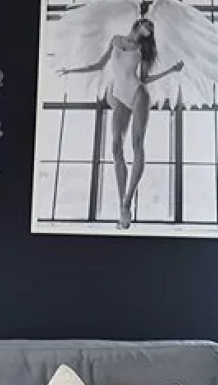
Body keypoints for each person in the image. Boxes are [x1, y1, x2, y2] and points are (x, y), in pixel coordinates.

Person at [59, 13, 185, 229]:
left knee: (137, 144)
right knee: (116, 147)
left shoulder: (143, 49)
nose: (149, 29)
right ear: (139, 23)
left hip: (138, 94)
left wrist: (172, 70)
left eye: (151, 29)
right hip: (119, 96)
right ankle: (122, 206)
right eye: (148, 25)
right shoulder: (116, 40)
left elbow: (144, 78)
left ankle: (128, 201)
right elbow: (99, 65)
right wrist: (71, 70)